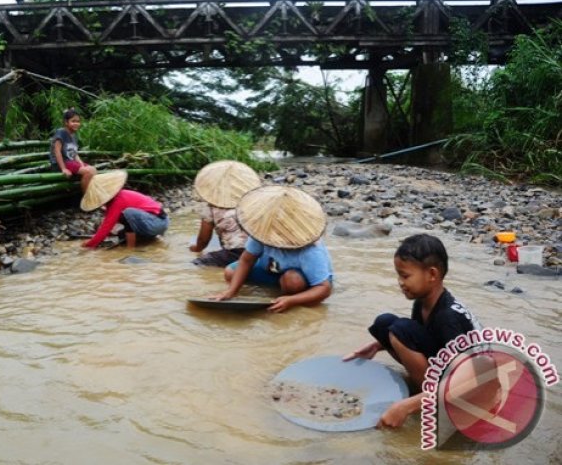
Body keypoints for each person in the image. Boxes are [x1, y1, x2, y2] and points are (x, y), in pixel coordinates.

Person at [344, 234, 482, 429]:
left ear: (432, 275)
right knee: (385, 323)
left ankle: (428, 398)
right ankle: (426, 392)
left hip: (474, 390)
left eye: (405, 275)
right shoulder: (423, 302)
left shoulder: (448, 318)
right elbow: (423, 338)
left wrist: (406, 406)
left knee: (401, 329)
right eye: (398, 275)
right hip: (450, 369)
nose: (400, 282)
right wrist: (377, 345)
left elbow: (470, 380)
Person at [213, 185, 334, 313]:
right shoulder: (262, 232)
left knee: (292, 280)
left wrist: (291, 300)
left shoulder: (311, 250)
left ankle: (290, 296)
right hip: (272, 271)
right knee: (230, 272)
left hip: (301, 279)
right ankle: (277, 292)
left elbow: (324, 289)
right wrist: (231, 291)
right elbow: (246, 261)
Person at [190, 160, 261, 267]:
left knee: (198, 263)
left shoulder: (211, 207)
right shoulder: (255, 201)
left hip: (236, 252)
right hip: (259, 252)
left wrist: (196, 249)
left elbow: (203, 240)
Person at [81, 171, 169, 249]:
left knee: (128, 213)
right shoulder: (118, 198)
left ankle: (130, 249)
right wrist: (96, 239)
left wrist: (90, 244)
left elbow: (107, 226)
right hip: (156, 222)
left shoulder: (118, 201)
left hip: (158, 222)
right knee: (122, 233)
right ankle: (145, 239)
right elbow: (107, 224)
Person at [49, 107, 96, 190]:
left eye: (78, 121)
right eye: (73, 121)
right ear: (66, 122)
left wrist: (81, 164)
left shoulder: (74, 136)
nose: (76, 123)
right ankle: (86, 196)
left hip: (71, 162)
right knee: (88, 172)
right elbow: (57, 152)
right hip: (60, 163)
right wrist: (63, 169)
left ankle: (91, 194)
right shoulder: (61, 132)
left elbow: (74, 154)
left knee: (93, 170)